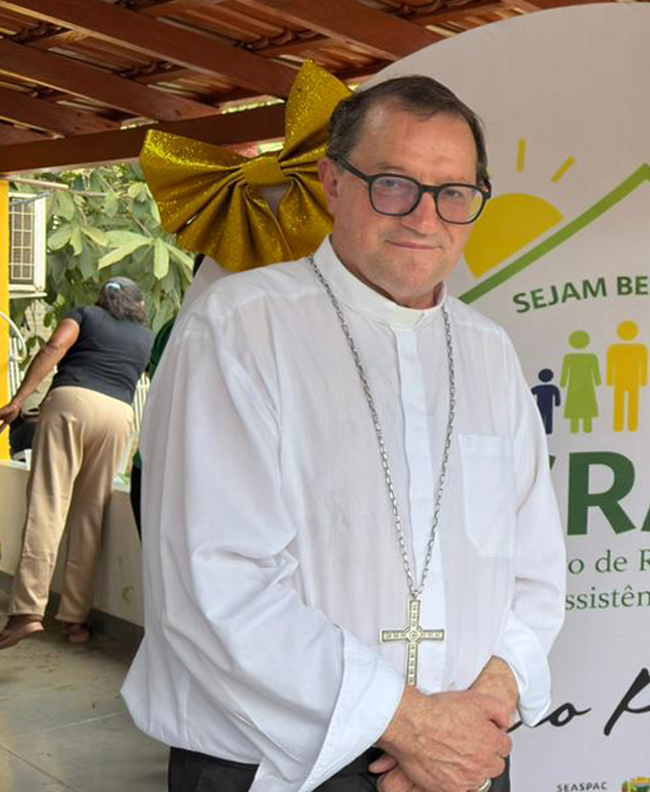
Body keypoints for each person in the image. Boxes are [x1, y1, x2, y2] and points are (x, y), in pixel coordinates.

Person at [122, 75, 567, 792]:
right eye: (393, 184)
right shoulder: (239, 329)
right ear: (333, 182)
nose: (424, 216)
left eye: (454, 193)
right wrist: (413, 728)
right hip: (278, 767)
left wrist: (481, 708)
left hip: (467, 760)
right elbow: (216, 581)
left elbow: (536, 570)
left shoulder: (489, 352)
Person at [0, 278, 152, 650]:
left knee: (47, 504)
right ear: (139, 305)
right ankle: (75, 621)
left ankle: (27, 612)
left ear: (103, 298)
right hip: (119, 416)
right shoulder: (145, 338)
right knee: (90, 514)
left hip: (71, 404)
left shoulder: (86, 315)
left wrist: (19, 400)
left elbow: (55, 346)